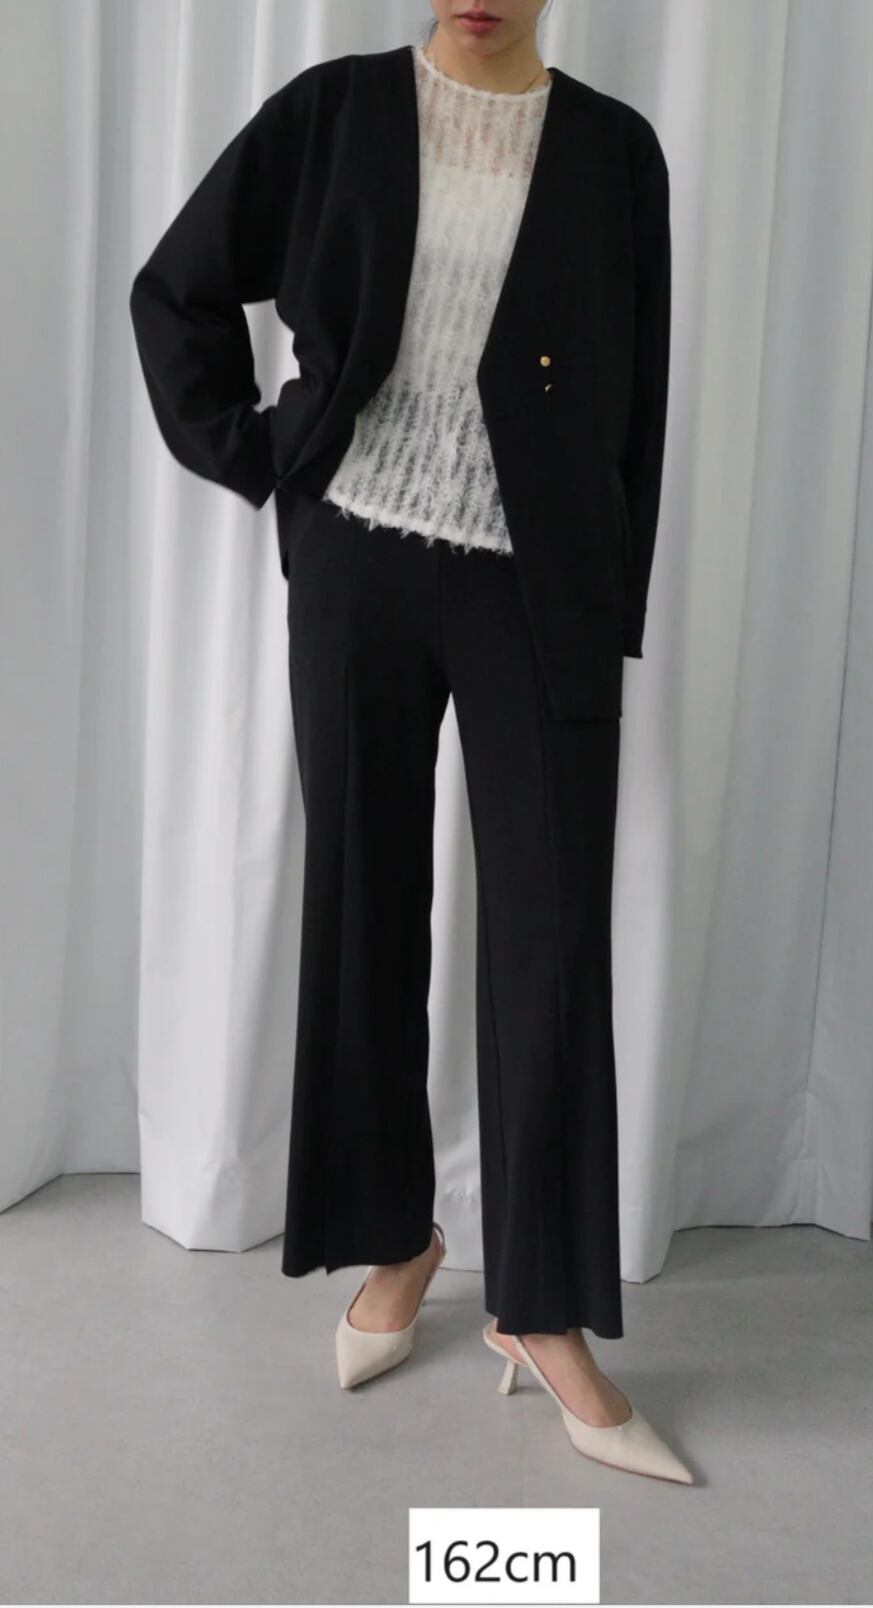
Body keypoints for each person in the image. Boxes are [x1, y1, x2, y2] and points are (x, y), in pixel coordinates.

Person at [129, 0, 689, 1483]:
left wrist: (608, 603)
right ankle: (395, 1236)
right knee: (364, 908)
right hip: (358, 564)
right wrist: (265, 456)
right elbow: (176, 289)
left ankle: (541, 1308)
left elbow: (636, 403)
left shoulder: (616, 154)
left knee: (552, 937)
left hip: (537, 589)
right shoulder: (330, 115)